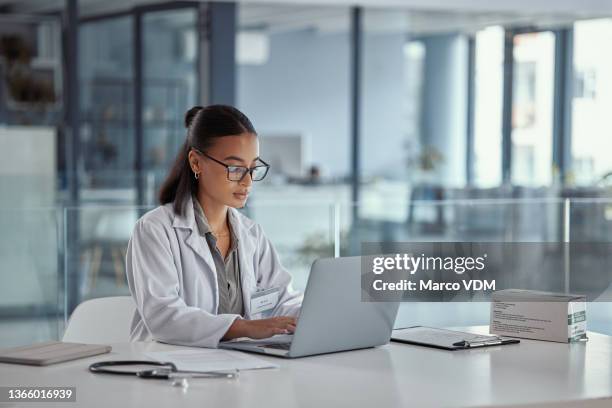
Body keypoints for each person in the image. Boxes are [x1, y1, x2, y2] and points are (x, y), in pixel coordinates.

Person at [126, 104, 302, 348]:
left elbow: (282, 299)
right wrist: (245, 327)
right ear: (196, 163)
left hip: (239, 369)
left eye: (253, 168)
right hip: (169, 370)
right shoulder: (155, 230)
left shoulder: (252, 235)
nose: (248, 181)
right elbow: (164, 316)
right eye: (236, 168)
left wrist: (311, 316)